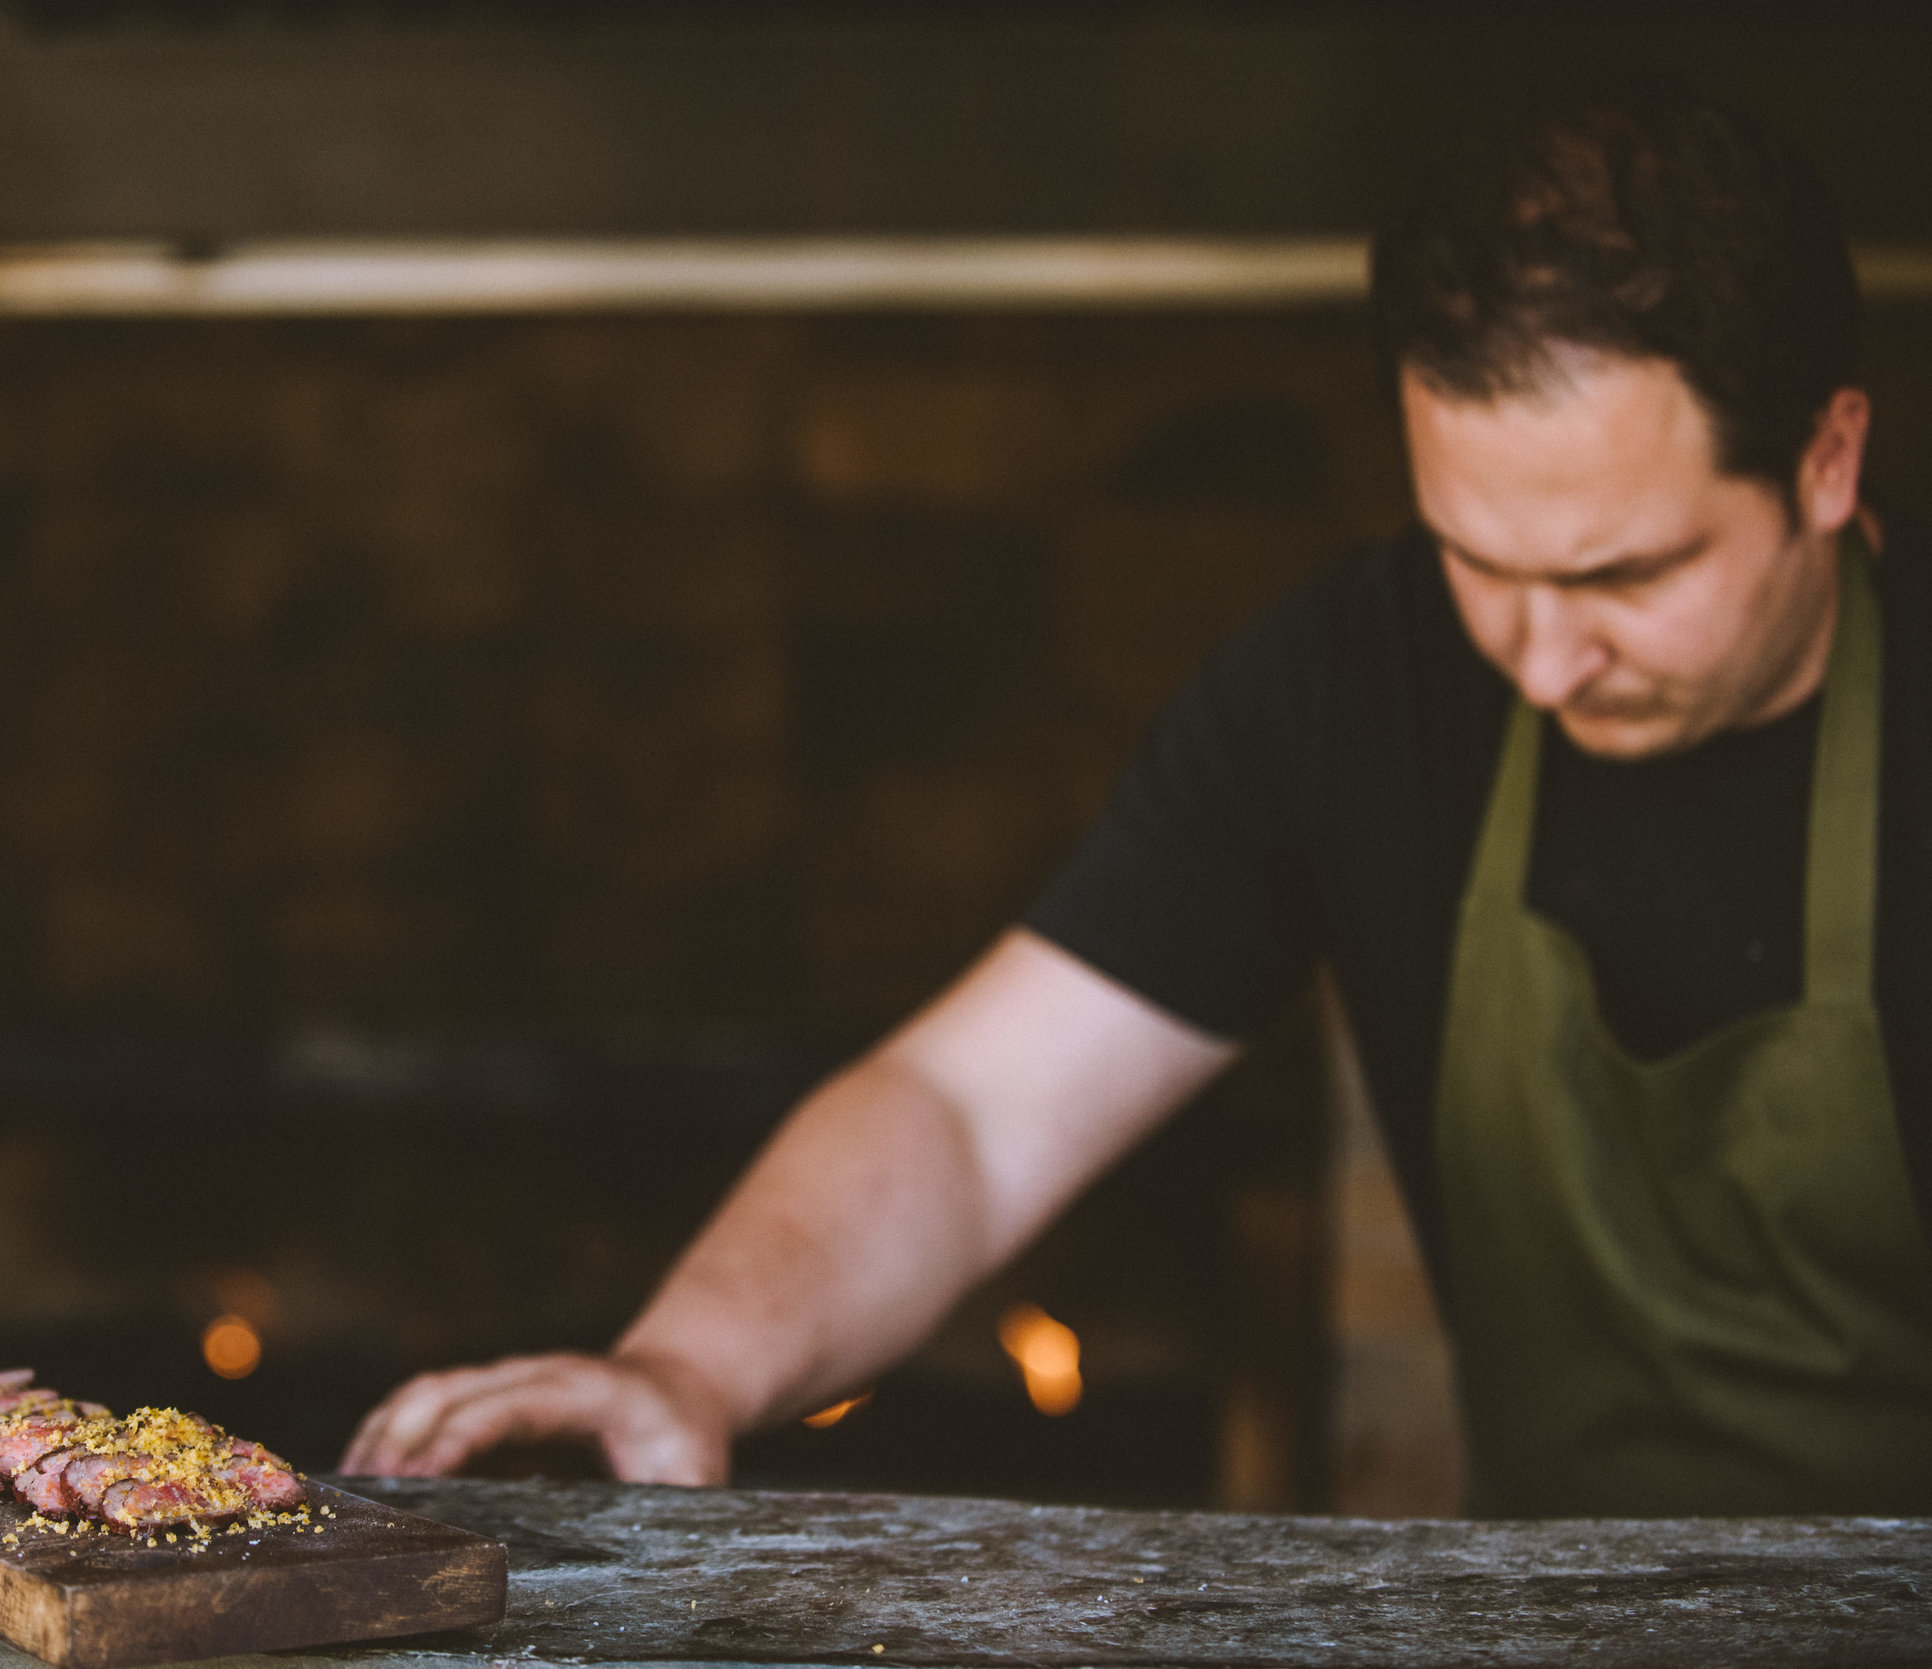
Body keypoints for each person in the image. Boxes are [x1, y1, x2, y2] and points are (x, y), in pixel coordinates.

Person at [344, 81, 1932, 1517]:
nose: (1541, 657)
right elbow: (970, 1115)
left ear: (1827, 461)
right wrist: (688, 1362)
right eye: (1481, 563)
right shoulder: (1350, 687)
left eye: (1623, 575)